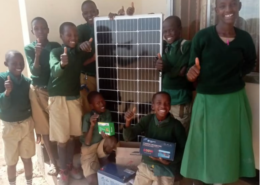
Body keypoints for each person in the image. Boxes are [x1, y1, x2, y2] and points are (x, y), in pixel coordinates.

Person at [180, 0, 256, 185]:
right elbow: (191, 67)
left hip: (233, 100)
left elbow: (250, 63)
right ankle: (200, 180)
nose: (228, 10)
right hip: (207, 101)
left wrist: (236, 74)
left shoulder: (245, 38)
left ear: (239, 6)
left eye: (232, 5)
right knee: (204, 145)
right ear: (216, 10)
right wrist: (192, 74)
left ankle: (223, 179)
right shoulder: (202, 37)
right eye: (222, 5)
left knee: (227, 146)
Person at [48, 22, 92, 185]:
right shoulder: (56, 51)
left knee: (73, 135)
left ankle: (69, 165)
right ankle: (63, 171)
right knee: (62, 139)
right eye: (69, 35)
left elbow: (86, 51)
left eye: (75, 35)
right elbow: (54, 71)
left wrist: (87, 45)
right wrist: (62, 64)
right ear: (61, 36)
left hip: (74, 98)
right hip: (58, 99)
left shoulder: (78, 53)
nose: (73, 38)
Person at [124, 92, 186, 185]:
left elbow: (184, 149)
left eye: (166, 103)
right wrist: (128, 122)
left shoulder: (176, 125)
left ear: (170, 106)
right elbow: (128, 137)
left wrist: (169, 160)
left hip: (165, 170)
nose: (163, 106)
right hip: (146, 167)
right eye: (159, 103)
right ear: (153, 106)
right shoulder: (148, 120)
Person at [24, 17, 60, 176]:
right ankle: (53, 162)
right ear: (32, 31)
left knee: (59, 126)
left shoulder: (55, 46)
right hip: (38, 91)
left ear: (47, 30)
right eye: (36, 29)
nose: (40, 31)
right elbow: (35, 72)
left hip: (54, 91)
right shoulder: (29, 48)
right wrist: (37, 55)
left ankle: (63, 161)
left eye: (43, 28)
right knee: (44, 129)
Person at [0, 51, 35, 185]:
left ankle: (29, 183)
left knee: (27, 158)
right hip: (9, 126)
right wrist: (6, 92)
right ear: (6, 64)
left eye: (21, 63)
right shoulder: (2, 79)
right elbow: (2, 105)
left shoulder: (27, 82)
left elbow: (31, 105)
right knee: (11, 161)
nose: (18, 65)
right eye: (14, 63)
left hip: (26, 124)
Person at [71, 91, 117, 185]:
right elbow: (87, 142)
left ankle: (102, 159)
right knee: (94, 181)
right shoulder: (87, 117)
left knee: (112, 141)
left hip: (100, 145)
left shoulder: (107, 113)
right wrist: (92, 126)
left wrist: (108, 136)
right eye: (98, 103)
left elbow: (109, 133)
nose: (102, 104)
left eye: (102, 101)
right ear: (92, 106)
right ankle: (80, 159)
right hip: (89, 149)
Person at [156, 16, 192, 132]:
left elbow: (182, 71)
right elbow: (176, 70)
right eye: (165, 31)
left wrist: (166, 68)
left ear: (179, 30)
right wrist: (157, 65)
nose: (168, 34)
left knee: (180, 135)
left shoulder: (186, 46)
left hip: (180, 102)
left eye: (171, 30)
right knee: (165, 134)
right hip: (165, 102)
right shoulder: (163, 47)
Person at [77, 0, 99, 115]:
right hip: (87, 77)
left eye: (92, 11)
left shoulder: (106, 25)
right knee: (87, 108)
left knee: (103, 106)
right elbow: (73, 47)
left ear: (97, 11)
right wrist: (80, 45)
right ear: (83, 15)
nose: (90, 15)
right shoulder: (80, 30)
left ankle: (104, 133)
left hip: (106, 76)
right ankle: (88, 132)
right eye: (86, 13)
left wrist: (117, 18)